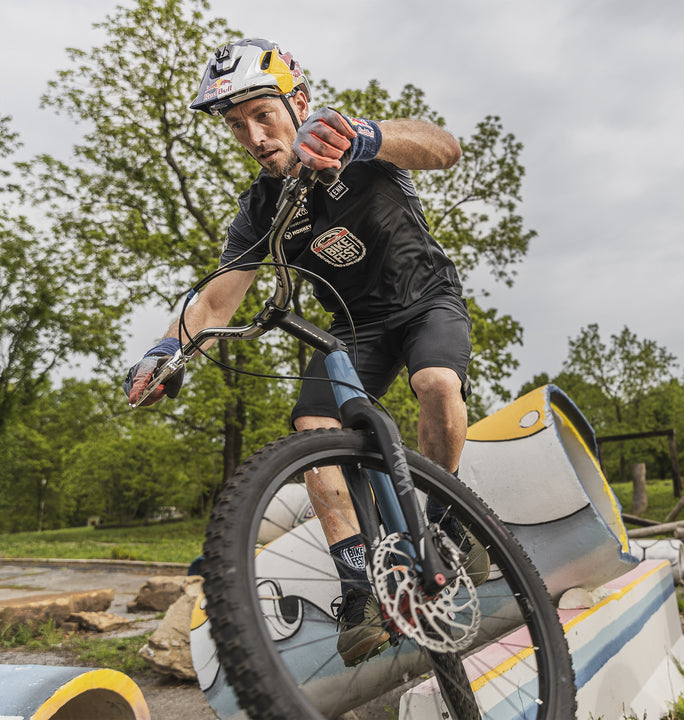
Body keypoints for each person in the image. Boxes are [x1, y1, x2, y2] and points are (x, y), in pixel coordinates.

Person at [123, 38, 488, 666]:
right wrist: (164, 350)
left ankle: (447, 524)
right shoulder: (262, 207)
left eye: (264, 115)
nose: (255, 135)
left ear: (299, 103)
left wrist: (367, 136)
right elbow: (215, 304)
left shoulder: (349, 143)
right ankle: (359, 590)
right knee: (312, 431)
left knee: (435, 383)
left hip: (427, 301)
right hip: (353, 329)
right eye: (238, 126)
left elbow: (443, 148)